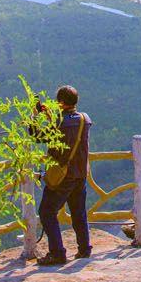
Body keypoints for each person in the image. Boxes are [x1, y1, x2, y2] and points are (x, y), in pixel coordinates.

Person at [36, 85, 92, 267]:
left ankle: (57, 253)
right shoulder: (85, 119)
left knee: (46, 212)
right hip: (80, 174)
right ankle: (84, 249)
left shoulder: (60, 123)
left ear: (60, 102)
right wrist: (51, 115)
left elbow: (36, 135)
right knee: (78, 212)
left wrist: (34, 116)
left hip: (62, 176)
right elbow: (67, 130)